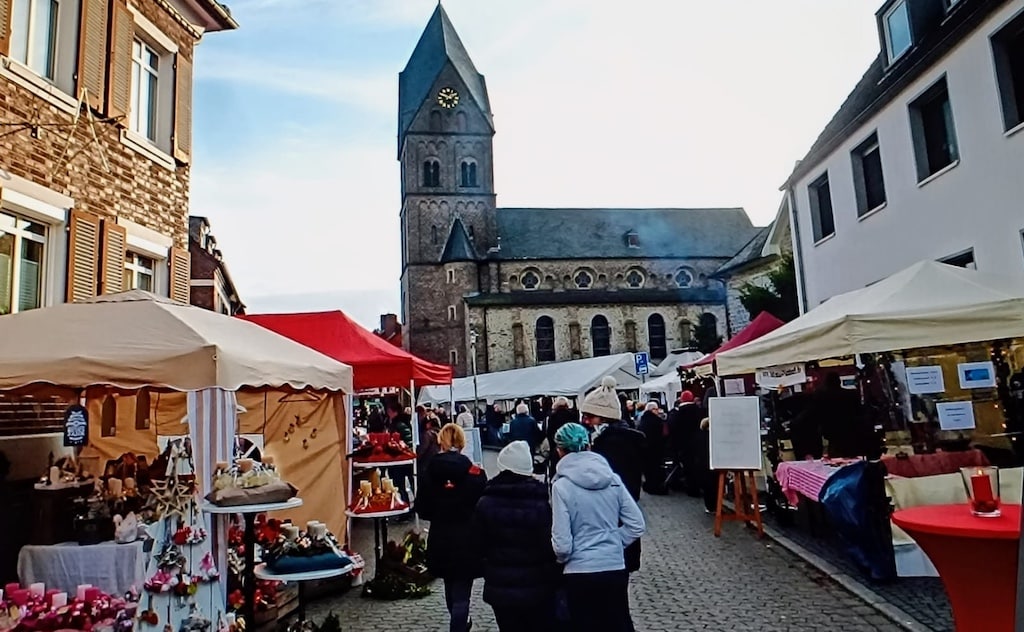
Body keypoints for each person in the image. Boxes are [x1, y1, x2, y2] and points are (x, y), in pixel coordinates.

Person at [551, 423, 646, 632]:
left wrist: (567, 556)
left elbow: (563, 544)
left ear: (560, 450)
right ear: (589, 446)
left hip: (580, 570)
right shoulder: (612, 479)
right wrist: (613, 541)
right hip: (613, 566)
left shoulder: (561, 486)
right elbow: (636, 524)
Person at [580, 375, 645, 631]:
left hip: (609, 531)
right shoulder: (618, 441)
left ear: (604, 418)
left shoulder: (610, 446)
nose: (585, 422)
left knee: (612, 608)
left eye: (590, 417)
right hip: (615, 534)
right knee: (616, 602)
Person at [473, 441, 559, 631]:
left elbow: (477, 545)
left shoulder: (486, 502)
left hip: (500, 584)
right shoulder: (540, 502)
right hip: (537, 583)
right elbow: (548, 544)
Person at [415, 424, 487, 632]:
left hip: (440, 536)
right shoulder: (475, 473)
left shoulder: (429, 472)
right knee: (462, 590)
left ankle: (459, 623)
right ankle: (460, 625)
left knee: (450, 583)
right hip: (468, 538)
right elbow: (484, 506)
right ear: (462, 443)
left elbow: (422, 509)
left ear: (441, 442)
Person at [668, 391, 703, 496]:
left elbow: (673, 430)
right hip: (700, 444)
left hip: (684, 446)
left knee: (688, 468)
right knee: (699, 467)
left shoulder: (678, 414)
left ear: (682, 399)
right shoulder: (699, 411)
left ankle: (692, 489)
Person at [385, 401, 415, 504]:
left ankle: (406, 506)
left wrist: (398, 447)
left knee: (401, 484)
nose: (388, 413)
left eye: (389, 411)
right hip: (400, 459)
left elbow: (408, 441)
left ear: (395, 412)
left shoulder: (399, 425)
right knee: (403, 484)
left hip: (400, 459)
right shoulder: (396, 423)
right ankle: (407, 505)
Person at [637, 401, 668, 495]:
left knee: (648, 469)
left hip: (645, 449)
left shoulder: (643, 419)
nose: (658, 411)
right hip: (655, 449)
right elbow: (661, 436)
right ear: (652, 410)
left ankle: (648, 485)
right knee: (655, 469)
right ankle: (654, 487)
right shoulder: (656, 421)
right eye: (656, 409)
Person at [545, 397, 578, 477]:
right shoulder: (573, 415)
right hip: (572, 447)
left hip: (557, 447)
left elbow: (549, 433)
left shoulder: (552, 417)